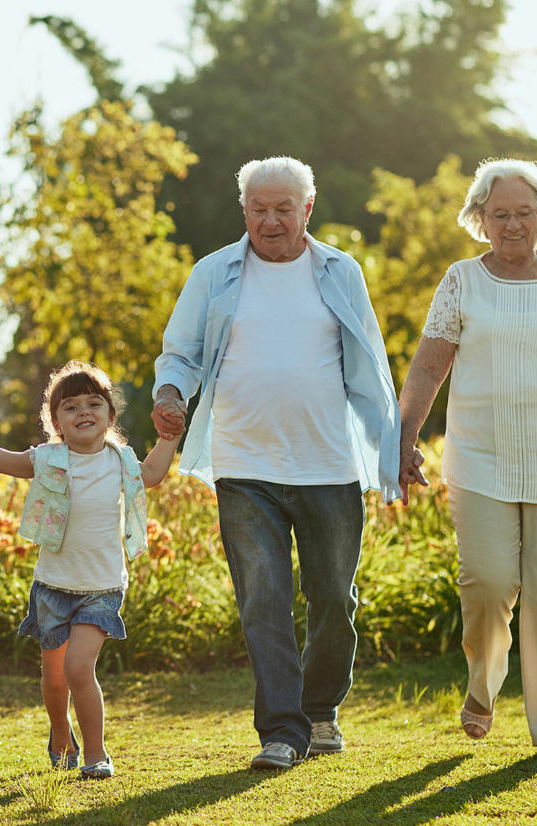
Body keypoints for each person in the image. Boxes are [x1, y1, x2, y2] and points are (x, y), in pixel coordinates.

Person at [151, 156, 401, 770]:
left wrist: (395, 443)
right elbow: (178, 353)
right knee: (263, 600)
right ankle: (283, 732)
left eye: (282, 208)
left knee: (333, 600)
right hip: (244, 462)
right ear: (245, 211)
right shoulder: (215, 272)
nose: (269, 219)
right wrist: (168, 395)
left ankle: (320, 710)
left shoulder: (341, 271)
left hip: (328, 464)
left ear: (306, 210)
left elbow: (370, 371)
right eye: (258, 208)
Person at [397, 158, 537, 761]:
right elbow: (428, 365)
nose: (512, 225)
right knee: (488, 582)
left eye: (524, 212)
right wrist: (404, 437)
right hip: (479, 456)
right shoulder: (461, 281)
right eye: (498, 214)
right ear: (480, 219)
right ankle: (482, 686)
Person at [0, 361, 179, 779]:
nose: (84, 412)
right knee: (55, 680)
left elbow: (153, 473)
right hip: (53, 586)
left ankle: (97, 754)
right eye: (71, 406)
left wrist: (169, 437)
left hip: (102, 587)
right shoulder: (48, 459)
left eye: (94, 403)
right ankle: (60, 729)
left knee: (79, 668)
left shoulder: (120, 461)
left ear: (110, 416)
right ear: (55, 421)